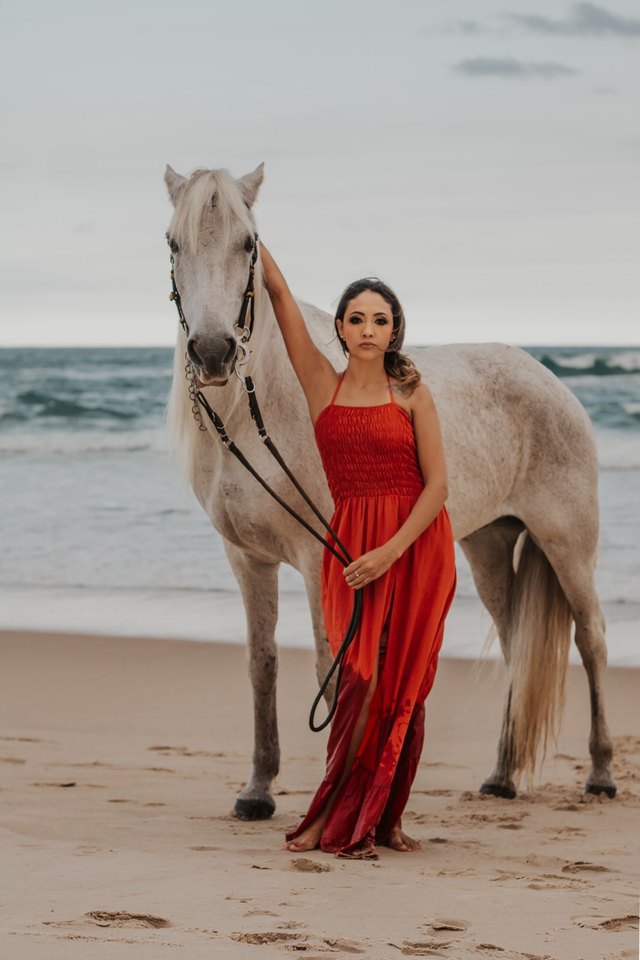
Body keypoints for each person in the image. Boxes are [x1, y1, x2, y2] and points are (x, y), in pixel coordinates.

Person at [260, 242, 457, 860]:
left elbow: (439, 487)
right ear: (340, 329)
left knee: (404, 685)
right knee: (359, 680)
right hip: (351, 548)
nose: (369, 329)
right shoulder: (322, 384)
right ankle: (330, 815)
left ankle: (382, 820)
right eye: (357, 318)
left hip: (416, 546)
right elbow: (282, 299)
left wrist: (392, 552)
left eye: (381, 319)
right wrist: (245, 224)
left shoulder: (411, 392)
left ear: (395, 329)